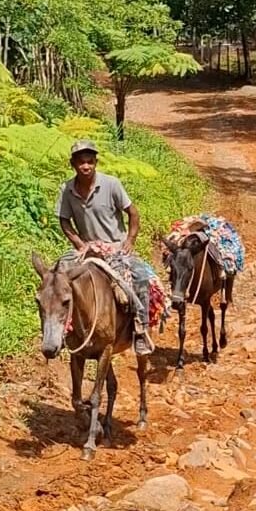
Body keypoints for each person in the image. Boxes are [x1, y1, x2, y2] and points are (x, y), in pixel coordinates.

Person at [55, 139, 153, 355]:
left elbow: (133, 213)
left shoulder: (111, 184)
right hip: (86, 249)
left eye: (90, 161)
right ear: (73, 164)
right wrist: (80, 245)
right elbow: (64, 220)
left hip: (115, 248)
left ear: (96, 163)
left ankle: (140, 330)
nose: (86, 166)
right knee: (57, 277)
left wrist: (129, 241)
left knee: (139, 277)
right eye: (81, 162)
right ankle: (61, 331)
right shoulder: (67, 189)